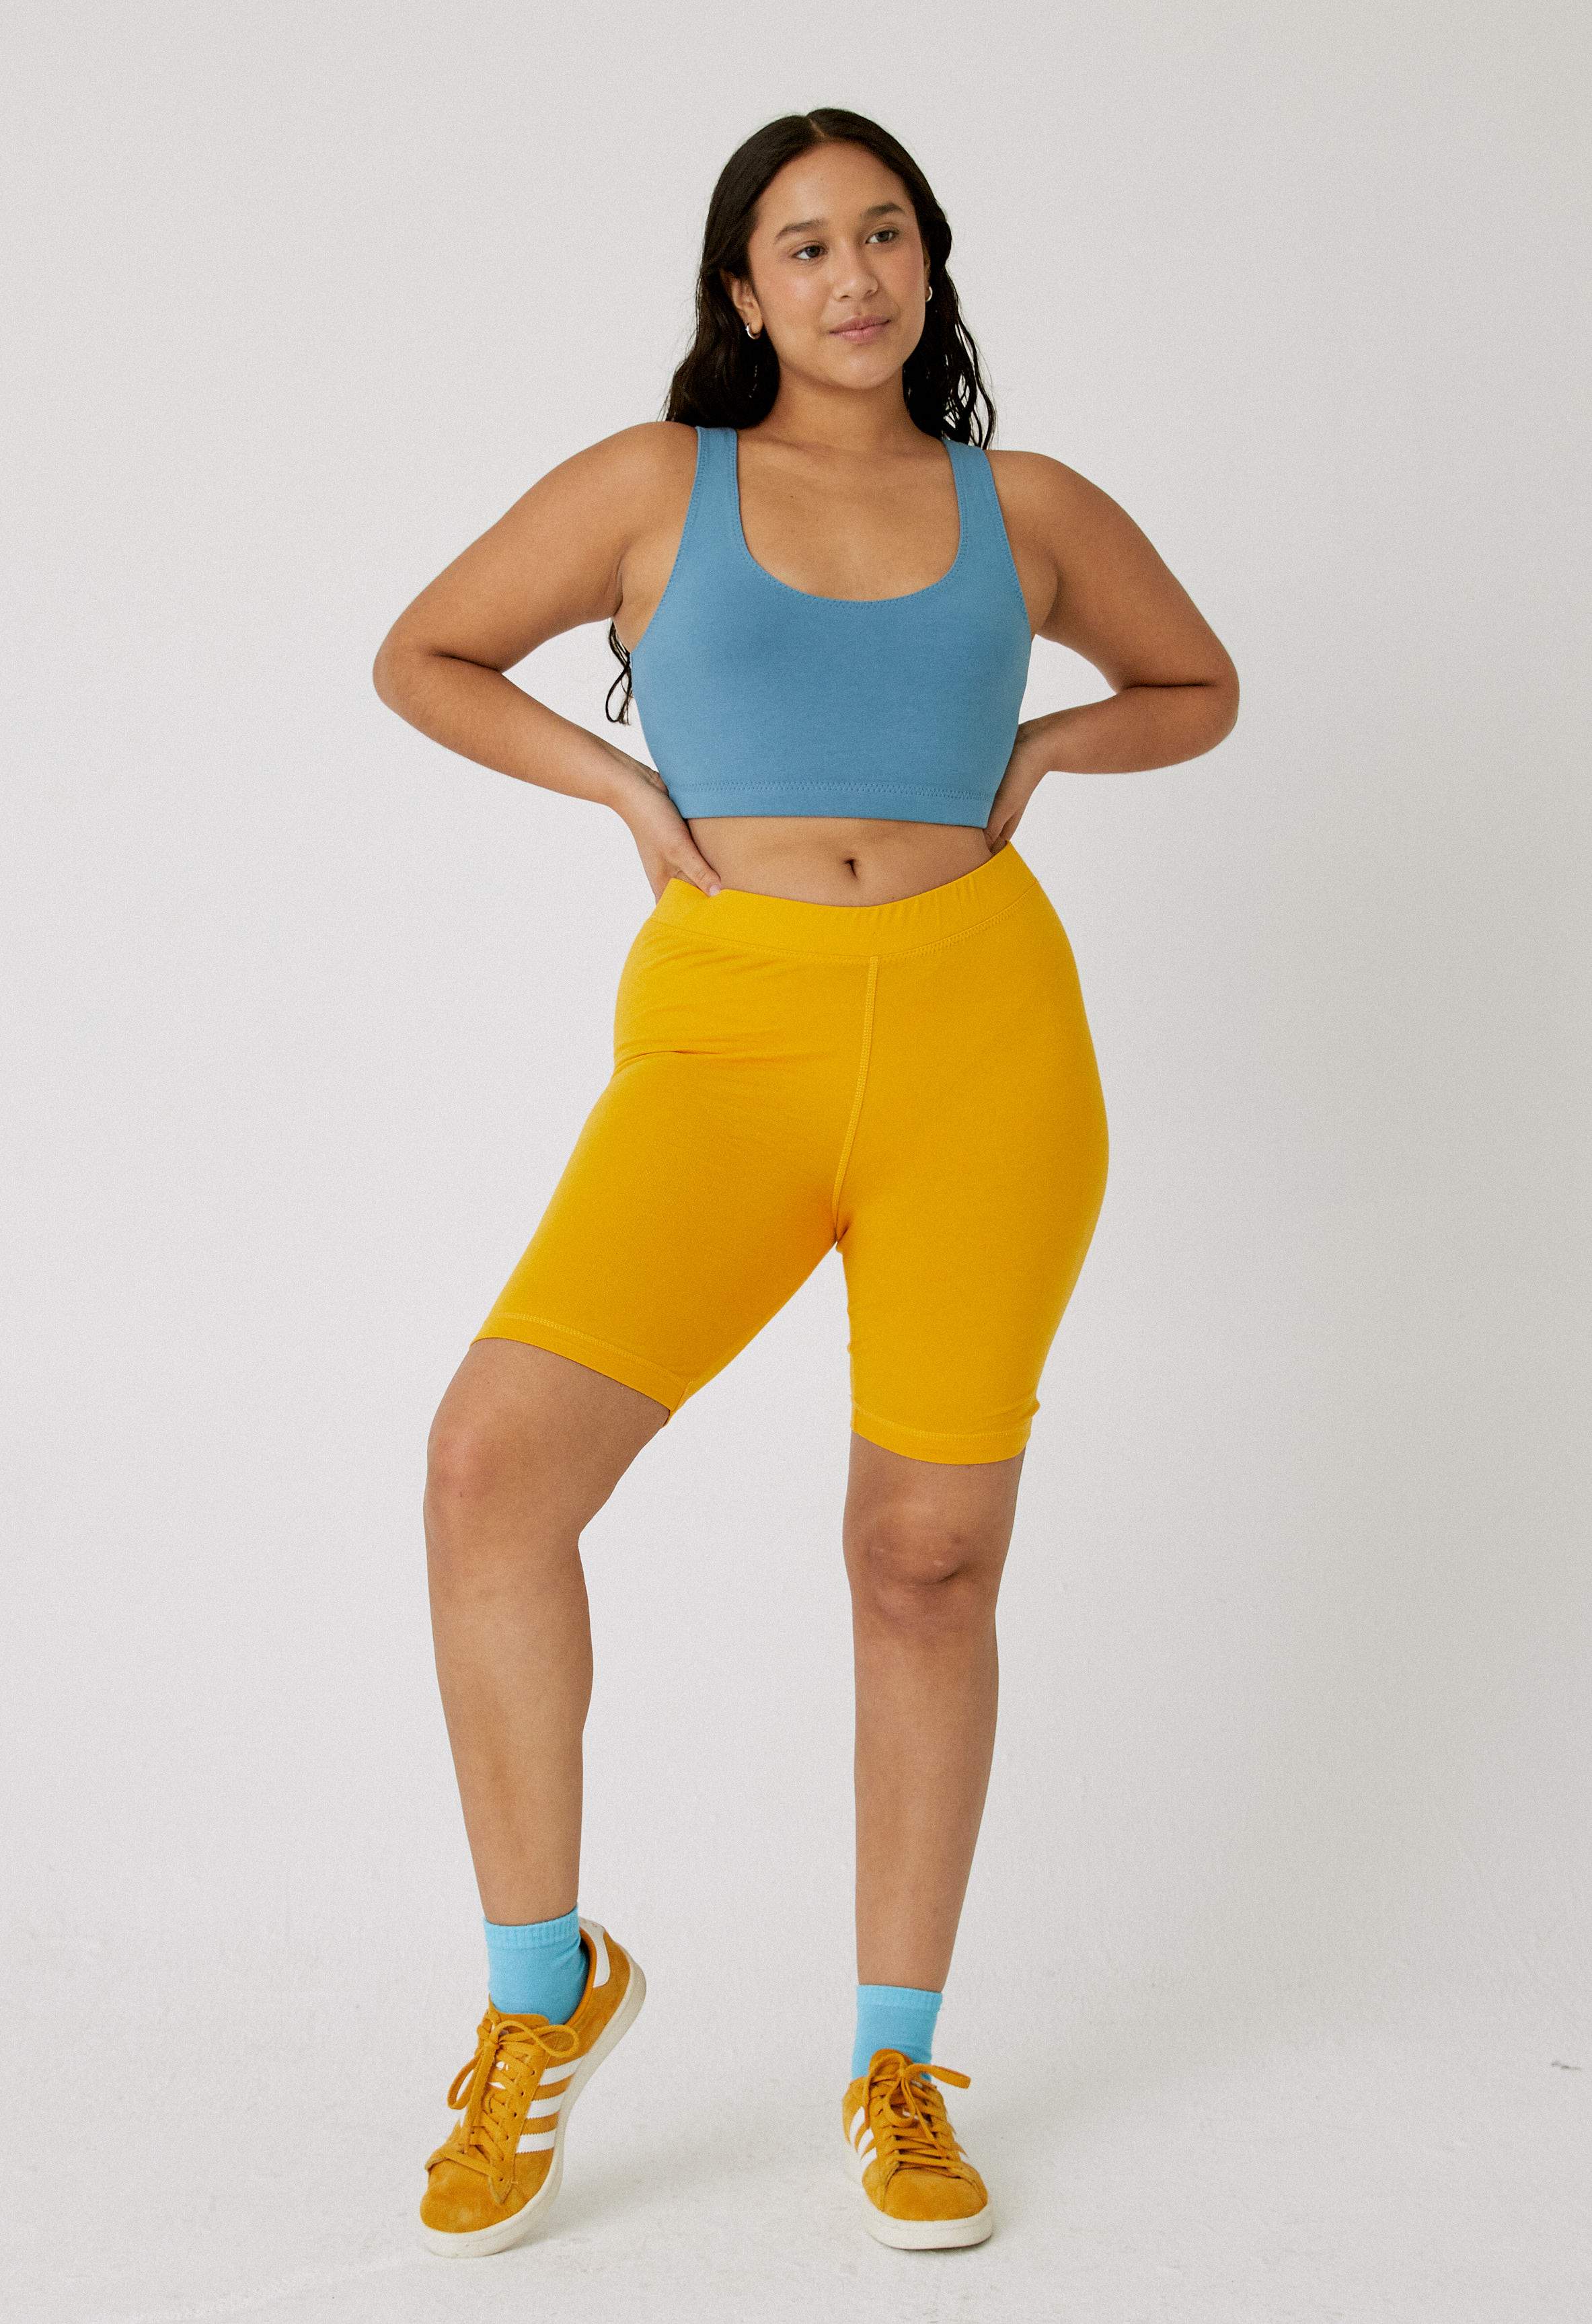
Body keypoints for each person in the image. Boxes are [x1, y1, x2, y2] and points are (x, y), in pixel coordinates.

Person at [372, 104, 1238, 2257]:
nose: (853, 276)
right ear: (741, 290)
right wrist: (623, 795)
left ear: (929, 265)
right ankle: (540, 1994)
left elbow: (1198, 684)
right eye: (804, 244)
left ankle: (897, 2062)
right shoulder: (653, 484)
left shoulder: (1030, 509)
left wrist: (1046, 744)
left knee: (925, 1559)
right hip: (730, 1035)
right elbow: (425, 653)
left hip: (984, 1042)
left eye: (885, 235)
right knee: (492, 1469)